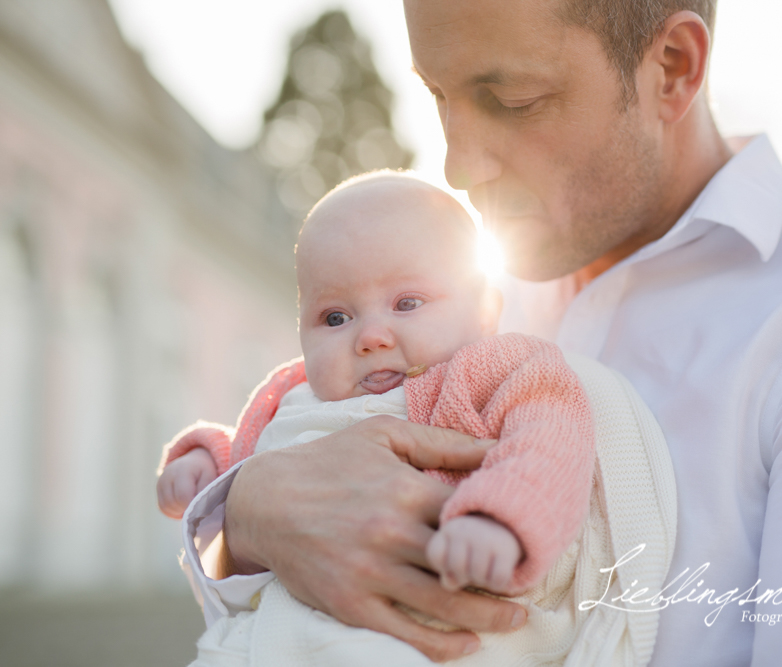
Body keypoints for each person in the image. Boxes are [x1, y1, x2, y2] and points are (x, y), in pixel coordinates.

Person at [179, 0, 782, 664]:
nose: (460, 166)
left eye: (513, 101)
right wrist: (247, 511)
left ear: (672, 69)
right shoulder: (453, 302)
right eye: (439, 94)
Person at [161, 173, 676, 666]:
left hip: (420, 637)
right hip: (276, 641)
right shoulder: (292, 396)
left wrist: (499, 519)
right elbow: (257, 452)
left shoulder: (493, 371)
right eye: (335, 317)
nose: (371, 336)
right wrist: (208, 458)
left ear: (484, 312)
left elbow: (548, 443)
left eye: (407, 303)